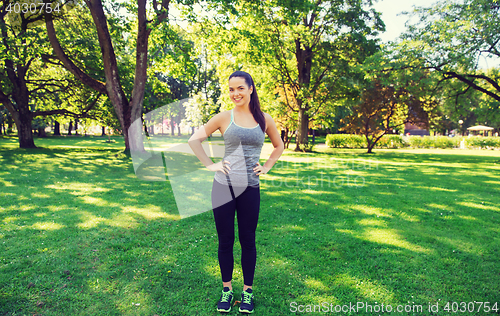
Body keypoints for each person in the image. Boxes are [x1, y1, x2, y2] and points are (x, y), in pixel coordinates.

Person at [188, 70, 284, 313]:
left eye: (240, 88)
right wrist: (211, 164)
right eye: (231, 89)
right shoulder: (223, 117)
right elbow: (194, 140)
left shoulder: (264, 119)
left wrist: (268, 166)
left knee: (248, 240)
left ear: (251, 89)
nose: (235, 93)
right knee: (225, 241)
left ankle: (248, 292)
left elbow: (278, 145)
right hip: (223, 187)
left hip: (250, 188)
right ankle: (227, 290)